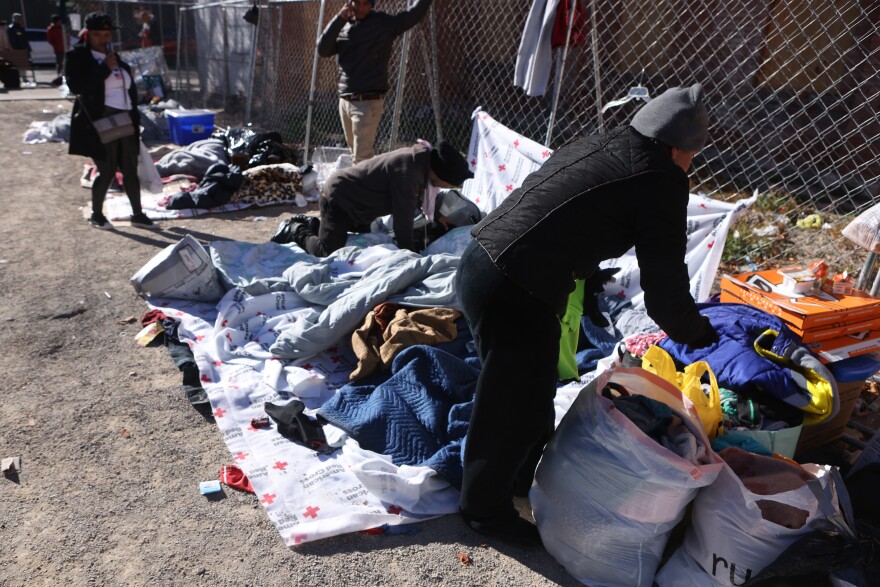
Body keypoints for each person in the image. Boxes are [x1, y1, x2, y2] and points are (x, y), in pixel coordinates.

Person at [455, 84, 720, 548]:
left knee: (530, 391)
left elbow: (573, 210)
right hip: (516, 286)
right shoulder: (661, 179)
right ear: (680, 148)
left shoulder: (606, 141)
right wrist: (699, 334)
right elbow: (665, 289)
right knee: (509, 406)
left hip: (483, 261)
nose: (691, 164)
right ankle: (483, 513)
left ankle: (517, 483)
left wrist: (586, 270)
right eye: (693, 155)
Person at [272, 140, 471, 256]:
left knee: (362, 241)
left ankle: (315, 224)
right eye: (450, 184)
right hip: (341, 199)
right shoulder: (409, 174)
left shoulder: (423, 161)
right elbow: (403, 225)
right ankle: (295, 229)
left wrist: (437, 215)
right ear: (440, 175)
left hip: (361, 205)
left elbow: (423, 197)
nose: (449, 188)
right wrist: (411, 258)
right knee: (328, 251)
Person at [65, 12, 155, 230]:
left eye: (106, 34)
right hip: (99, 121)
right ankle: (97, 214)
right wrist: (104, 68)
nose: (103, 39)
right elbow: (77, 88)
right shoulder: (77, 56)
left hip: (125, 120)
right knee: (106, 170)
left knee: (130, 169)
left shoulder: (115, 57)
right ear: (87, 35)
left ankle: (138, 214)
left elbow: (128, 89)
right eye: (97, 34)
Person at [317, 0, 433, 164]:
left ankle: (361, 189)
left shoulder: (383, 24)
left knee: (362, 159)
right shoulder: (344, 24)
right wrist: (339, 18)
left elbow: (413, 15)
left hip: (367, 102)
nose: (361, 8)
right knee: (355, 155)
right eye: (357, 3)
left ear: (372, 5)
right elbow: (323, 49)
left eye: (366, 4)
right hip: (345, 101)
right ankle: (362, 186)